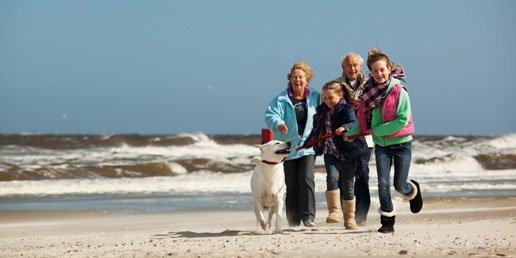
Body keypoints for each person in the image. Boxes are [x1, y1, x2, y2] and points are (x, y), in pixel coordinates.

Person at [345, 47, 423, 233]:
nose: (379, 74)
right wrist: (351, 131)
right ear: (370, 73)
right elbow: (366, 122)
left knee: (398, 184)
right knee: (382, 183)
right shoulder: (368, 94)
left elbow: (402, 120)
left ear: (389, 69)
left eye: (382, 70)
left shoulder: (399, 91)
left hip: (402, 143)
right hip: (382, 146)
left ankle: (412, 190)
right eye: (375, 71)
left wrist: (376, 131)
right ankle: (387, 222)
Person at [306, 81, 368, 230]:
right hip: (330, 151)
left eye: (330, 97)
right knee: (332, 177)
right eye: (325, 98)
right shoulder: (322, 111)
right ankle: (333, 211)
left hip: (348, 151)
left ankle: (349, 219)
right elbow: (315, 130)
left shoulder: (346, 109)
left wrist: (344, 127)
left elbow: (355, 123)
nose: (327, 101)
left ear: (340, 95)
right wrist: (308, 143)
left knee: (348, 184)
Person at [265, 61, 321, 227]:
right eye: (295, 77)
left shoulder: (315, 97)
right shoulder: (281, 99)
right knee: (292, 184)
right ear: (290, 79)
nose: (298, 80)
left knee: (306, 179)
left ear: (307, 79)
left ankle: (309, 217)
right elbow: (270, 115)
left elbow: (325, 111)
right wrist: (278, 123)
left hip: (308, 146)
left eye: (301, 77)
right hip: (288, 148)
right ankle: (293, 220)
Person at [334, 53, 373, 226]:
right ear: (343, 67)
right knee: (346, 177)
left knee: (363, 174)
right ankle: (348, 215)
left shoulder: (370, 84)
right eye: (349, 65)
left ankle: (361, 215)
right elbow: (327, 110)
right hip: (344, 138)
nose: (352, 69)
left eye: (355, 65)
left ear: (361, 67)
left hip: (366, 137)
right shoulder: (335, 86)